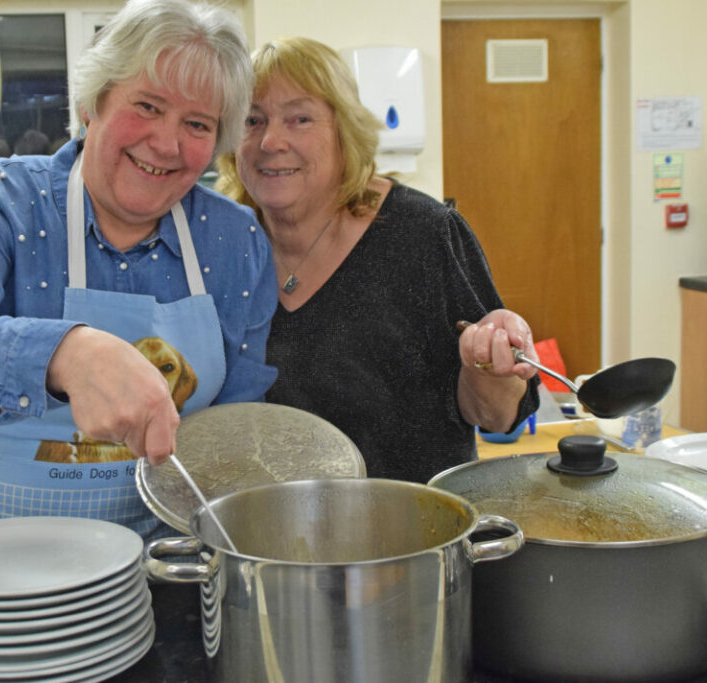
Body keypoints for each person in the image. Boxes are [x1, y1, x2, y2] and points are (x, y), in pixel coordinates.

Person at [0, 0, 276, 543]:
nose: (166, 143)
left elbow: (235, 433)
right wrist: (65, 354)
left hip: (148, 579)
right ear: (94, 104)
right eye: (147, 105)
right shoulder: (0, 200)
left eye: (197, 123)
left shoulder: (234, 242)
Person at [216, 37, 540, 483]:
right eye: (253, 120)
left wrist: (487, 365)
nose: (271, 141)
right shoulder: (220, 247)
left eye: (300, 118)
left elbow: (499, 416)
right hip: (269, 536)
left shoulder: (425, 234)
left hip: (412, 533)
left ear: (344, 131)